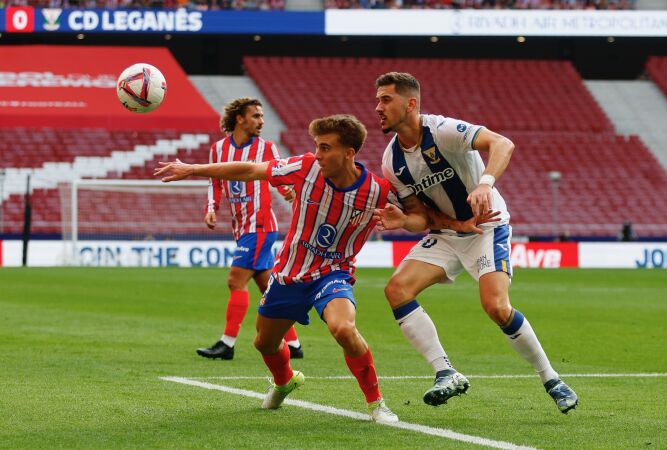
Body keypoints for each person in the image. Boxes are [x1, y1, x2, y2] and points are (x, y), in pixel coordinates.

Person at [155, 115, 408, 422]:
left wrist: (424, 222)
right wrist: (193, 169)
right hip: (289, 273)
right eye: (317, 146)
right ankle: (284, 380)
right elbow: (251, 169)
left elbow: (423, 212)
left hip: (333, 274)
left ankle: (376, 403)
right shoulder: (305, 167)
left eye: (326, 147)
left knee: (343, 328)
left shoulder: (379, 191)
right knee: (264, 342)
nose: (318, 154)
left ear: (349, 153)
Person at [374, 72, 579, 414]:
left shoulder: (442, 130)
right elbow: (421, 217)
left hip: (487, 227)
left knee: (496, 307)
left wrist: (485, 183)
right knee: (397, 290)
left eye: (385, 100)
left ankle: (551, 378)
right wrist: (404, 221)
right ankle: (446, 372)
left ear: (410, 104)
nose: (377, 107)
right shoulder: (391, 161)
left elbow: (503, 144)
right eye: (377, 99)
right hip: (448, 233)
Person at [197, 98, 303, 361]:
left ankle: (227, 343)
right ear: (240, 119)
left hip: (260, 226)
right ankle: (294, 344)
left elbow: (279, 174)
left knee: (235, 280)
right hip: (241, 228)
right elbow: (215, 182)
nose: (261, 121)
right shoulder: (218, 149)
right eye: (255, 116)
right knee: (267, 285)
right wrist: (212, 207)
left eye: (262, 116)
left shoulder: (267, 148)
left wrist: (289, 191)